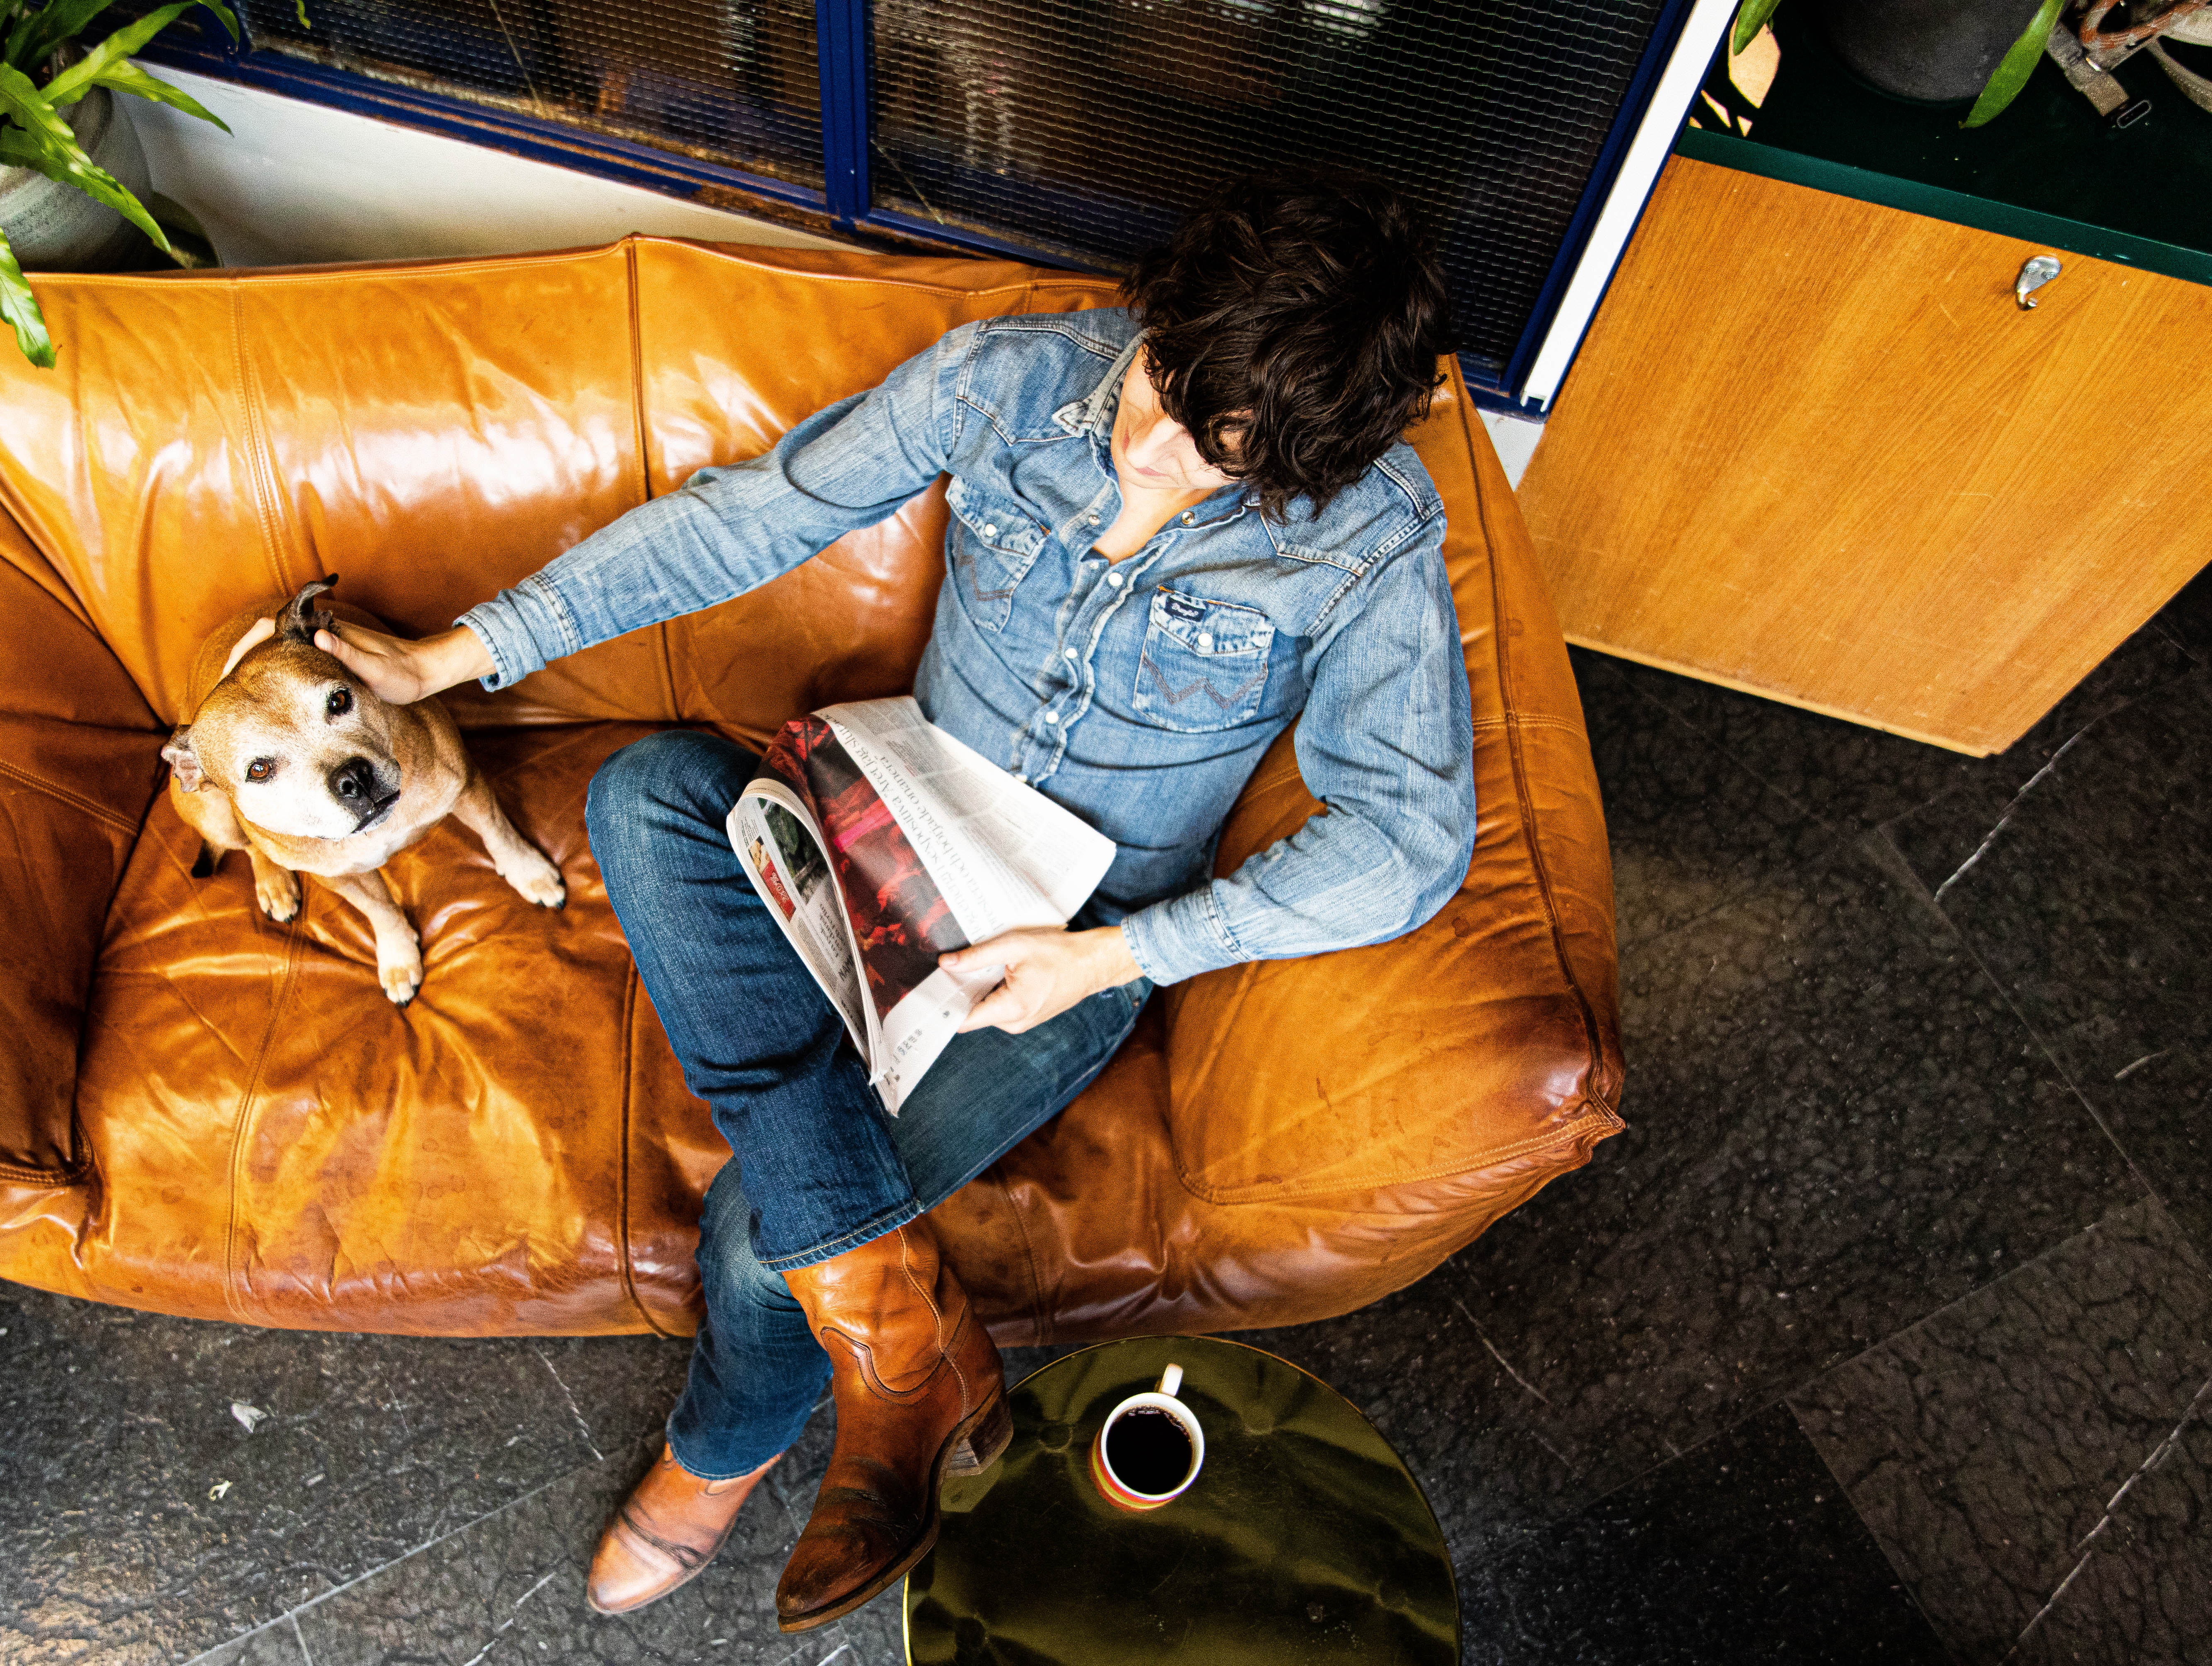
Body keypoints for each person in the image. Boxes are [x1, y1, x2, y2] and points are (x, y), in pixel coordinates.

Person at [317, 166, 1474, 1633]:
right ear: (1161, 315)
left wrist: (1115, 955)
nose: (1154, 452)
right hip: (883, 805)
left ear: (1300, 467)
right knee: (641, 790)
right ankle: (912, 1358)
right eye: (1166, 389)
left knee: (761, 1228)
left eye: (1216, 457)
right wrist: (446, 661)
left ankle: (726, 1453)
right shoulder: (1010, 380)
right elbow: (746, 519)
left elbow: (1409, 840)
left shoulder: (1365, 533)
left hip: (1063, 935)